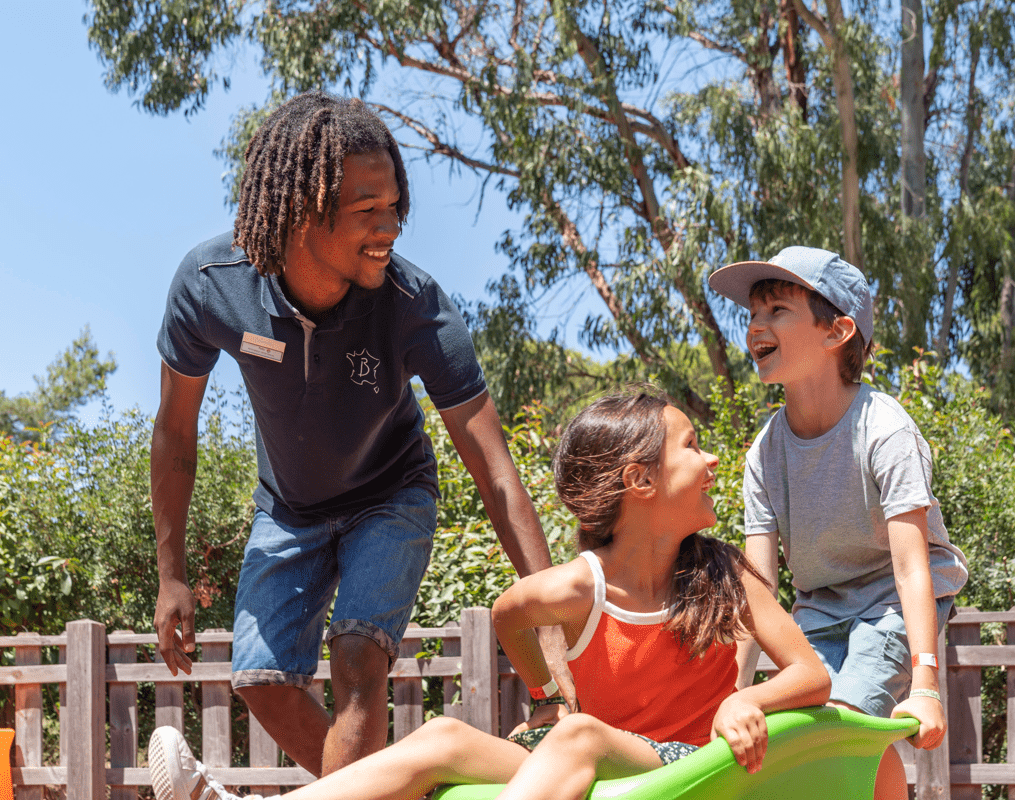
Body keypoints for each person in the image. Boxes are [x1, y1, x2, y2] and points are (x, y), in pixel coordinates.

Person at [151, 90, 569, 777]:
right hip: (286, 507)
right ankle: (403, 793)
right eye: (367, 211)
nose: (392, 227)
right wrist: (171, 577)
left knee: (356, 656)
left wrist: (557, 632)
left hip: (390, 494)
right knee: (261, 681)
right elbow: (173, 434)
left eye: (396, 206)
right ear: (299, 213)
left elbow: (496, 470)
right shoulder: (212, 286)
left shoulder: (414, 307)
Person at [147, 390, 832, 800]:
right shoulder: (578, 585)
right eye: (692, 447)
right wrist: (546, 694)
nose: (712, 460)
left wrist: (748, 697)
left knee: (580, 734)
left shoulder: (725, 576)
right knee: (445, 736)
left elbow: (810, 673)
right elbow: (509, 615)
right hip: (598, 770)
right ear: (640, 481)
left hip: (691, 774)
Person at [707, 246, 969, 800]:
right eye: (753, 314)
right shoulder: (765, 452)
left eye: (778, 309)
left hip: (891, 602)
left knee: (843, 724)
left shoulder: (884, 430)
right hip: (819, 608)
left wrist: (925, 684)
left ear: (837, 332)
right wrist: (727, 690)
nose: (756, 325)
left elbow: (910, 565)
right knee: (795, 733)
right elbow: (759, 591)